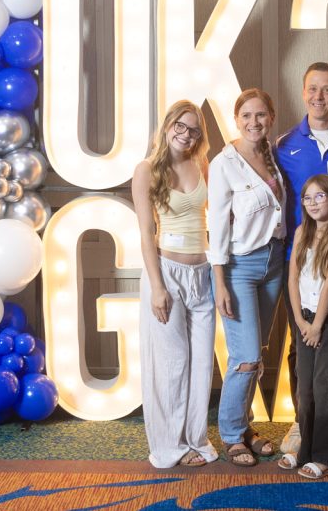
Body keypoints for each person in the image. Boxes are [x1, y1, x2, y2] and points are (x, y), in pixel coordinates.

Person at [276, 62, 328, 456]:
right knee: (301, 344)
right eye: (313, 89)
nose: (319, 97)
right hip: (300, 262)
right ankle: (302, 422)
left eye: (327, 90)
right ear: (303, 92)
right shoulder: (284, 145)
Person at [133, 100, 217, 468]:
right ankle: (170, 445)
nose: (185, 134)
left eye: (193, 129)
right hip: (166, 272)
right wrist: (157, 287)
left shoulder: (202, 165)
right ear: (167, 127)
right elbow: (145, 232)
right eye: (179, 126)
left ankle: (195, 438)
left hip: (203, 274)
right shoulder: (146, 170)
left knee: (202, 362)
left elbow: (214, 217)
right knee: (173, 362)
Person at [208, 88, 286, 467]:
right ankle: (231, 435)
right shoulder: (224, 163)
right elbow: (217, 223)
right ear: (236, 120)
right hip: (239, 266)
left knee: (258, 353)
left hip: (275, 262)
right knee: (245, 356)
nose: (254, 122)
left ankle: (245, 427)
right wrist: (220, 280)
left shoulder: (274, 153)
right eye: (246, 116)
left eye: (261, 115)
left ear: (271, 117)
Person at [277, 174, 328, 479]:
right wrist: (299, 320)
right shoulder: (301, 232)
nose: (313, 203)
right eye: (307, 198)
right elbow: (292, 278)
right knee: (305, 391)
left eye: (320, 196)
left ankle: (327, 457)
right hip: (305, 320)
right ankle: (304, 451)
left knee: (326, 388)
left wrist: (317, 325)